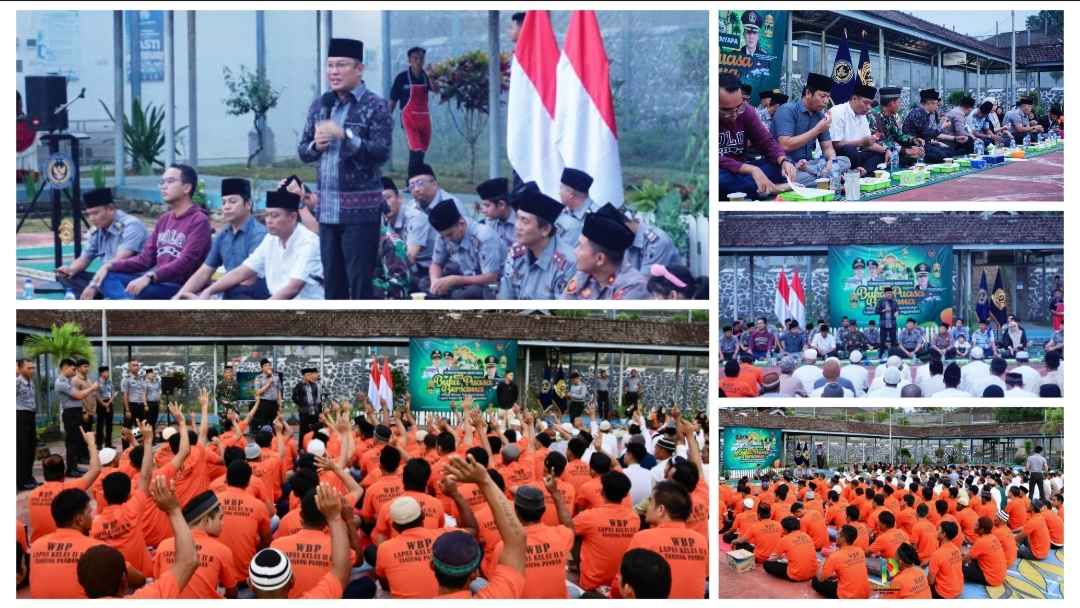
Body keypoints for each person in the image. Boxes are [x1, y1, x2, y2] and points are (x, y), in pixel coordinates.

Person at [298, 37, 392, 300]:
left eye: (341, 65)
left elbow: (381, 153)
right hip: (327, 212)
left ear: (359, 69)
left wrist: (346, 136)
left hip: (360, 214)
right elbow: (303, 151)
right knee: (333, 286)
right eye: (330, 66)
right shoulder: (320, 105)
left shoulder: (375, 106)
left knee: (360, 284)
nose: (334, 72)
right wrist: (315, 146)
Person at [100, 164, 211, 299]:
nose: (164, 186)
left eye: (170, 181)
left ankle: (129, 308)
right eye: (162, 182)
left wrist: (150, 276)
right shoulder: (164, 219)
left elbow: (185, 262)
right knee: (107, 277)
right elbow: (145, 259)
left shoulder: (199, 220)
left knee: (137, 291)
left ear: (187, 188)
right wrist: (110, 265)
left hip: (179, 288)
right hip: (158, 283)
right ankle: (130, 307)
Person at [197, 188, 324, 300]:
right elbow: (242, 271)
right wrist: (208, 291)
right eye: (267, 215)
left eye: (274, 216)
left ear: (293, 217)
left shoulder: (308, 242)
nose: (268, 220)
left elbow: (292, 289)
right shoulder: (270, 239)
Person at [248, 483, 351, 598]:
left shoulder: (277, 543)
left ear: (250, 585)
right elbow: (341, 571)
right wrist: (336, 517)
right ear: (292, 581)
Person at [175, 178, 270, 300]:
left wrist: (212, 294)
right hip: (227, 292)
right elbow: (204, 272)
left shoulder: (259, 234)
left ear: (248, 204)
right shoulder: (223, 234)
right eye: (224, 202)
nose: (226, 207)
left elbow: (249, 280)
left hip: (254, 296)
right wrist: (177, 297)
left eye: (232, 202)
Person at [55, 187, 148, 299]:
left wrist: (94, 284)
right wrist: (70, 270)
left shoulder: (131, 226)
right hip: (105, 277)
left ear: (111, 209)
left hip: (129, 278)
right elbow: (84, 259)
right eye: (88, 214)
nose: (92, 218)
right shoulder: (97, 229)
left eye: (95, 213)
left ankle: (108, 298)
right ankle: (100, 298)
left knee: (108, 278)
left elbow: (118, 261)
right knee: (67, 277)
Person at [716, 73, 797, 199]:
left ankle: (759, 187)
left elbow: (766, 141)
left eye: (738, 108)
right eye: (726, 110)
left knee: (782, 166)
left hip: (743, 171)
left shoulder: (747, 111)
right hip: (724, 171)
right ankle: (773, 188)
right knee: (718, 181)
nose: (734, 114)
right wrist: (751, 170)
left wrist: (783, 160)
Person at [624, 481, 707, 598]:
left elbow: (623, 585)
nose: (647, 505)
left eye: (650, 501)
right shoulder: (701, 540)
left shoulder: (643, 538)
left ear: (661, 509)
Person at [153, 490, 239, 599]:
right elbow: (232, 592)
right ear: (207, 520)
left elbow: (158, 582)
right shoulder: (222, 551)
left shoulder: (163, 546)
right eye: (220, 517)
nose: (223, 523)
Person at [498, 181, 575, 300]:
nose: (517, 226)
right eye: (517, 218)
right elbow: (505, 298)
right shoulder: (515, 253)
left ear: (545, 229)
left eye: (524, 221)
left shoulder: (568, 264)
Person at [773, 72, 851, 186]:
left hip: (808, 165)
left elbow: (828, 148)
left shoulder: (819, 116)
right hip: (787, 166)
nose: (826, 101)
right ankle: (829, 178)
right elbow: (785, 145)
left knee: (845, 160)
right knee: (796, 177)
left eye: (828, 97)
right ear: (808, 93)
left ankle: (824, 177)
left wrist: (831, 161)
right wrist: (817, 129)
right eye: (823, 96)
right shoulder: (787, 111)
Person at [424, 198, 505, 299]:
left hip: (490, 284)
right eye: (443, 236)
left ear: (461, 224)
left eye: (449, 235)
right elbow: (436, 263)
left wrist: (456, 280)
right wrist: (435, 281)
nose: (447, 239)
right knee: (425, 283)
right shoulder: (445, 234)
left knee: (465, 294)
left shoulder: (484, 236)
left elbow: (491, 277)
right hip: (465, 276)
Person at [561, 211, 649, 300]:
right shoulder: (585, 273)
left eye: (581, 247)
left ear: (600, 259)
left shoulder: (633, 287)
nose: (575, 252)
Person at [404, 163, 468, 282]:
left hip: (451, 264)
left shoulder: (452, 204)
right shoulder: (411, 206)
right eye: (411, 186)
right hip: (421, 264)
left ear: (434, 184)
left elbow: (463, 244)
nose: (416, 190)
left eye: (420, 183)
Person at [389, 46, 436, 169]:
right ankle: (412, 182)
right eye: (415, 58)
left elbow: (436, 90)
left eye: (421, 58)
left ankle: (415, 182)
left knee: (421, 152)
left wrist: (432, 76)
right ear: (409, 60)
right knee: (416, 150)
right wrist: (387, 118)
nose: (419, 61)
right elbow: (393, 100)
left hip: (424, 119)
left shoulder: (427, 76)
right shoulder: (401, 78)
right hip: (409, 119)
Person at [830, 83, 888, 176]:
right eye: (866, 103)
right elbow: (836, 144)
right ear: (854, 99)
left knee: (881, 154)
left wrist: (885, 150)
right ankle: (863, 170)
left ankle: (863, 170)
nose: (869, 107)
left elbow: (868, 144)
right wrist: (861, 142)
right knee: (850, 151)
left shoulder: (862, 116)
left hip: (856, 155)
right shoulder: (837, 112)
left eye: (870, 104)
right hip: (837, 156)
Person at [56, 358, 99, 477]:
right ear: (65, 367)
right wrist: (92, 388)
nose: (75, 372)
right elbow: (79, 395)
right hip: (70, 413)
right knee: (71, 442)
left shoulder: (68, 381)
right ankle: (71, 469)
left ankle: (74, 466)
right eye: (73, 369)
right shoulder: (61, 382)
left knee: (75, 441)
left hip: (75, 412)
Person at [868, 87, 925, 168]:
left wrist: (914, 140)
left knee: (916, 154)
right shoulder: (873, 116)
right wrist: (905, 150)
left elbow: (898, 135)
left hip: (893, 150)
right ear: (892, 103)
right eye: (899, 102)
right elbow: (878, 142)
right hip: (879, 152)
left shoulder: (890, 116)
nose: (900, 105)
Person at [812, 524, 870, 598]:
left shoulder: (835, 556)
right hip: (865, 594)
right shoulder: (860, 551)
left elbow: (821, 578)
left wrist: (825, 559)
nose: (836, 536)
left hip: (847, 596)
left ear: (843, 538)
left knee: (815, 581)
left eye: (838, 534)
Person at [901, 89, 953, 164]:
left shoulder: (925, 113)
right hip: (914, 146)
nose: (937, 107)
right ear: (929, 103)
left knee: (949, 151)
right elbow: (926, 134)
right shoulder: (918, 113)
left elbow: (926, 135)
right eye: (936, 104)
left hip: (923, 144)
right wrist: (942, 127)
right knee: (943, 156)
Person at [763, 515, 817, 581]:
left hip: (796, 575)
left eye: (783, 529)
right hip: (812, 573)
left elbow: (772, 558)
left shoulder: (785, 539)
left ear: (785, 529)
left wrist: (780, 558)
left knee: (767, 564)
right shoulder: (807, 536)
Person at [555, 168, 597, 247]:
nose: (559, 193)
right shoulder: (565, 210)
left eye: (561, 188)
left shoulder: (596, 217)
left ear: (570, 194)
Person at [17, 359, 40, 491]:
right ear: (20, 369)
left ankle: (29, 477)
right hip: (20, 416)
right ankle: (21, 481)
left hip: (30, 416)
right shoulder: (16, 382)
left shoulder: (30, 382)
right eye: (29, 368)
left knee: (31, 448)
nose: (32, 371)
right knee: (22, 450)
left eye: (33, 368)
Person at [475, 177, 517, 249]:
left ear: (501, 205)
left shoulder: (521, 223)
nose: (483, 210)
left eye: (487, 205)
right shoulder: (487, 223)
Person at [928, 521, 963, 598]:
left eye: (938, 530)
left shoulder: (937, 554)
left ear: (943, 534)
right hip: (959, 589)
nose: (936, 532)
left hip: (944, 593)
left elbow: (930, 581)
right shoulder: (956, 549)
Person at [292, 367, 322, 440]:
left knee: (314, 428)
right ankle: (301, 447)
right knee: (303, 429)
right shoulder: (299, 385)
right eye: (308, 375)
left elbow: (317, 398)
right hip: (304, 411)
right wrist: (301, 404)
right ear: (304, 376)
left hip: (314, 410)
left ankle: (312, 443)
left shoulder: (314, 385)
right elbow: (294, 397)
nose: (309, 376)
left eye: (310, 375)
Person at [253, 359, 281, 429]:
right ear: (262, 368)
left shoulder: (276, 377)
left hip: (274, 403)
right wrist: (268, 383)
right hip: (264, 403)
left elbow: (279, 391)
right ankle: (264, 438)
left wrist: (280, 405)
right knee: (264, 424)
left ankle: (275, 439)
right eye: (266, 365)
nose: (268, 367)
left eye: (269, 365)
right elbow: (257, 392)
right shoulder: (258, 378)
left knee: (275, 424)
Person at [120, 359, 147, 431]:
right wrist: (127, 410)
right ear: (129, 367)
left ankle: (136, 442)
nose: (136, 367)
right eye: (134, 365)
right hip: (131, 406)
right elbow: (125, 395)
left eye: (137, 365)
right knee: (127, 427)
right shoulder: (126, 379)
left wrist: (145, 405)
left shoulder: (141, 379)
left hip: (140, 406)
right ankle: (126, 442)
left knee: (140, 426)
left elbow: (143, 393)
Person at [94, 366, 115, 448]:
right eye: (106, 372)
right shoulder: (97, 382)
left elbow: (113, 392)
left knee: (109, 424)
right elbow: (96, 395)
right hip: (100, 404)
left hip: (109, 402)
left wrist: (109, 402)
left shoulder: (110, 382)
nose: (107, 374)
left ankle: (108, 444)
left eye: (108, 372)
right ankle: (99, 444)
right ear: (101, 373)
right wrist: (103, 404)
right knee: (100, 424)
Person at [875, 287, 900, 351]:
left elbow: (898, 310)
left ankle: (894, 353)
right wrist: (884, 310)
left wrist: (897, 312)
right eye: (888, 293)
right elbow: (876, 311)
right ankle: (881, 354)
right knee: (882, 340)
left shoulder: (894, 302)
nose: (889, 294)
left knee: (893, 340)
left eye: (890, 293)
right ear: (885, 294)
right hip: (883, 325)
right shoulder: (880, 301)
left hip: (892, 324)